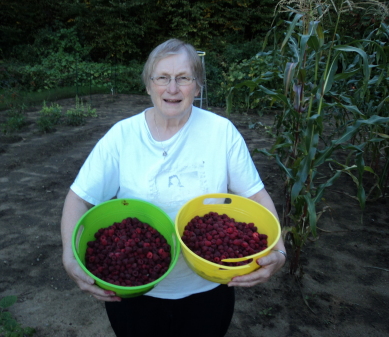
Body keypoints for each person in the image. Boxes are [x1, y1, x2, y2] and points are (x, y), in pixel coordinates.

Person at [60, 38, 286, 337]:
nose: (172, 88)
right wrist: (68, 256)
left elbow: (255, 195)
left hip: (208, 289)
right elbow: (79, 198)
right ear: (148, 84)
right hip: (134, 293)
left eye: (183, 78)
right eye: (162, 78)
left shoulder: (221, 132)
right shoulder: (122, 137)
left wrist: (279, 250)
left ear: (198, 86)